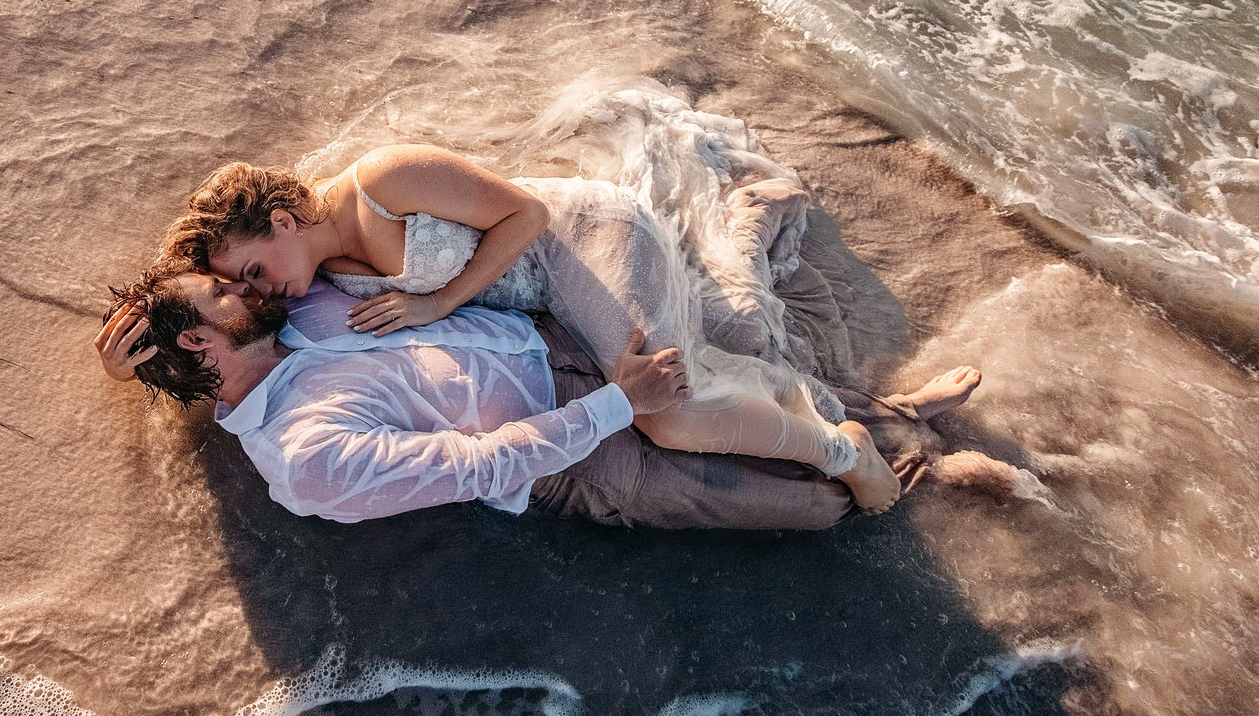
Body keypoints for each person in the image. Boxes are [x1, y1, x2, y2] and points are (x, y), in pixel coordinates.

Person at [126, 146, 980, 512]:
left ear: (282, 216)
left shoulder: (382, 179)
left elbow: (528, 213)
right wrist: (131, 347)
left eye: (250, 274)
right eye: (239, 288)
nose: (256, 293)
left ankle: (850, 450)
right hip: (541, 306)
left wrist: (437, 302)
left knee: (674, 409)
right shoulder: (316, 283)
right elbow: (201, 336)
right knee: (728, 352)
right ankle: (761, 250)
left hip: (580, 245)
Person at [99, 271, 924, 529]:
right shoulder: (302, 457)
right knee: (806, 509)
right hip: (586, 455)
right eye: (217, 291)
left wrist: (116, 359)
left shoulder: (292, 309)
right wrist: (617, 405)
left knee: (745, 369)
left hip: (557, 333)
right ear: (201, 346)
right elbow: (479, 462)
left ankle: (889, 411)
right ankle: (902, 474)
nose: (237, 282)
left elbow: (252, 220)